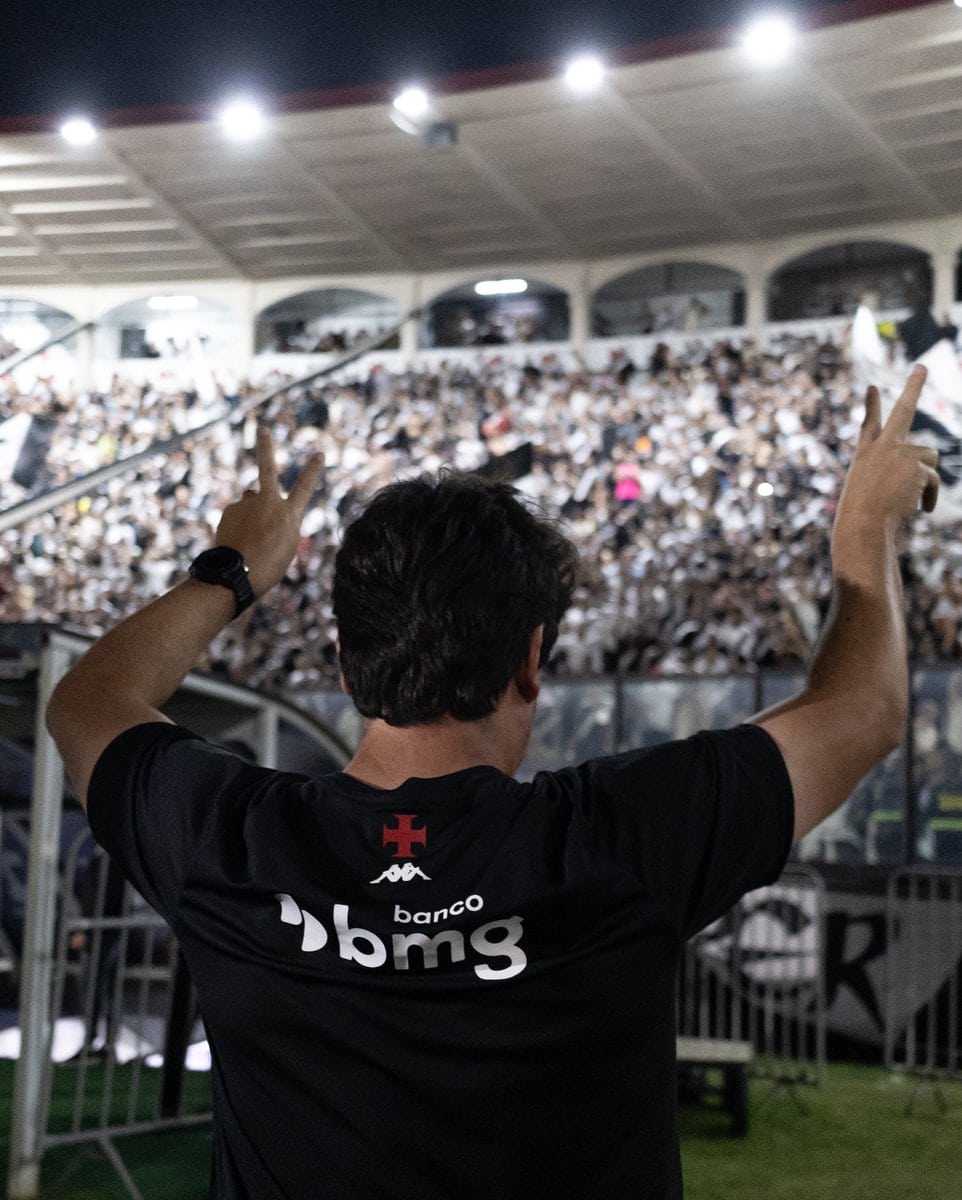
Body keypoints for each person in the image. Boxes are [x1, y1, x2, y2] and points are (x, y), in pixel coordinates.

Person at [46, 368, 939, 1200]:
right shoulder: (617, 838)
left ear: (350, 671)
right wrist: (866, 534)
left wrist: (232, 570)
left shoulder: (229, 841)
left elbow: (88, 701)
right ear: (531, 660)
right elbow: (862, 711)